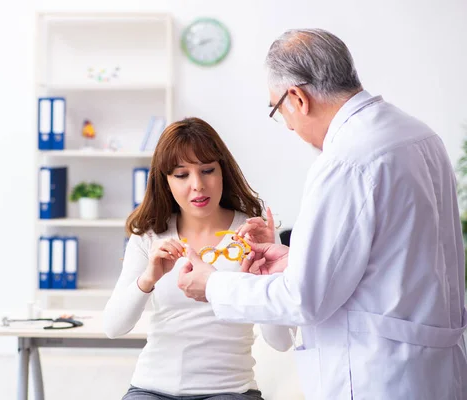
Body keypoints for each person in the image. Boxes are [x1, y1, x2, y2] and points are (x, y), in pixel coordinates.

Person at [177, 29, 467, 400]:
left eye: (279, 112)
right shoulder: (416, 134)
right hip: (432, 371)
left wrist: (213, 284)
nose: (292, 128)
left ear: (297, 98)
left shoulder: (346, 160)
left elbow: (304, 299)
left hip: (377, 376)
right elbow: (392, 259)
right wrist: (298, 260)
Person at [103, 117, 294, 400]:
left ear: (223, 172)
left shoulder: (254, 235)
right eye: (181, 175)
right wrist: (148, 279)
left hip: (228, 391)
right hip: (151, 388)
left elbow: (280, 343)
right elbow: (113, 327)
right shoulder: (149, 236)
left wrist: (263, 282)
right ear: (165, 181)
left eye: (207, 170)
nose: (198, 185)